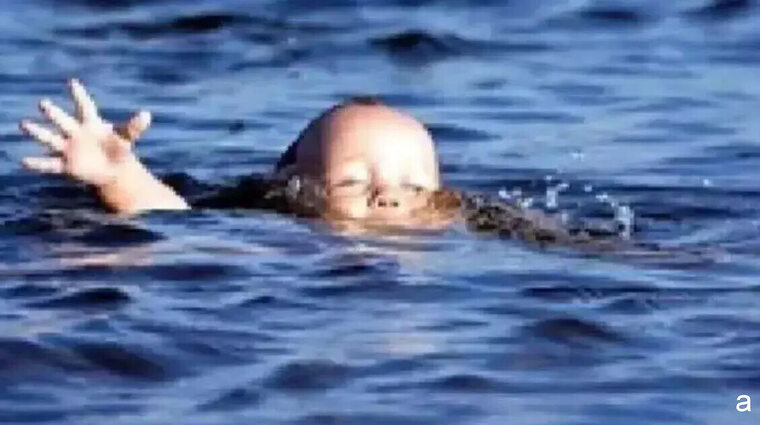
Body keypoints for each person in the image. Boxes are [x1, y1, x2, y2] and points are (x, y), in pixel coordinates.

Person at [19, 79, 459, 229]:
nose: (388, 197)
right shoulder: (287, 245)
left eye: (414, 186)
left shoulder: (457, 238)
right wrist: (120, 177)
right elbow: (183, 227)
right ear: (293, 191)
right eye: (352, 182)